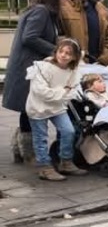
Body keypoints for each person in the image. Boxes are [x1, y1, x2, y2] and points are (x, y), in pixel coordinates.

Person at [4, 0, 65, 164]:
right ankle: (29, 153)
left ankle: (21, 146)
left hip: (29, 67)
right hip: (28, 69)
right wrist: (56, 51)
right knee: (30, 108)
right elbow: (30, 37)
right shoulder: (41, 11)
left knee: (29, 109)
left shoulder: (44, 12)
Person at [26, 38, 87, 181]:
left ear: (74, 57)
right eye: (61, 51)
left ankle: (65, 161)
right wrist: (62, 91)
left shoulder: (73, 71)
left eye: (68, 53)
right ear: (56, 52)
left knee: (68, 131)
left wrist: (63, 93)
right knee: (41, 138)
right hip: (38, 106)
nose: (64, 55)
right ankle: (44, 167)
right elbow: (40, 91)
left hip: (57, 106)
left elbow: (72, 90)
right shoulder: (42, 68)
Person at [59, 0, 108, 65]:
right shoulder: (62, 8)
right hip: (71, 65)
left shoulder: (100, 8)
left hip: (97, 64)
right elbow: (58, 36)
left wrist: (106, 57)